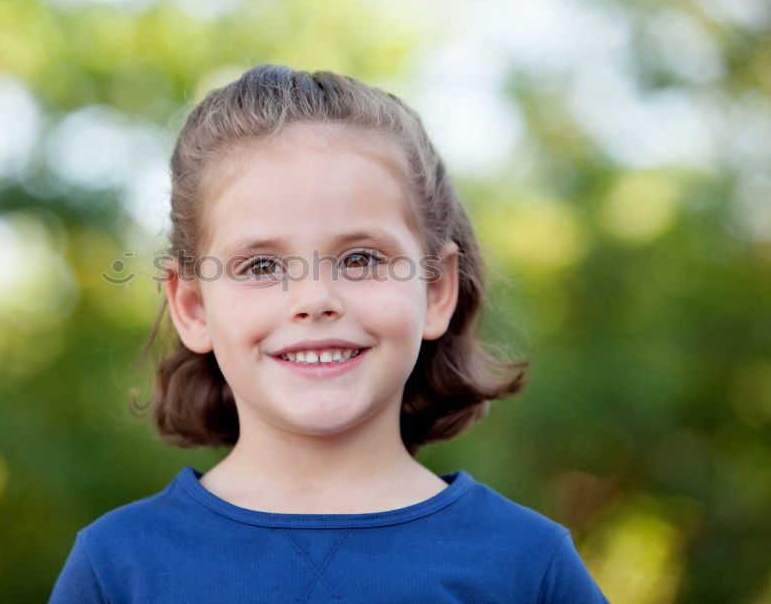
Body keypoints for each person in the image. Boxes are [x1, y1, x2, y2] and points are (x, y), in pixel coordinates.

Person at [48, 65, 609, 603]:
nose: (314, 300)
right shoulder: (119, 566)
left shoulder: (527, 564)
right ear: (193, 306)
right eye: (261, 267)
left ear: (437, 290)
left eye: (361, 259)